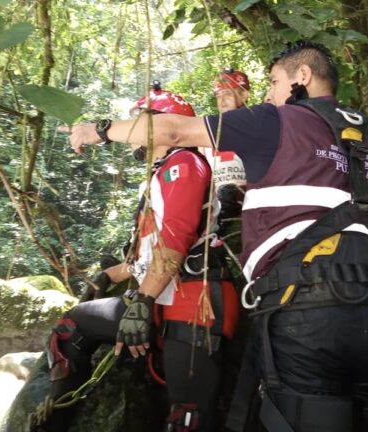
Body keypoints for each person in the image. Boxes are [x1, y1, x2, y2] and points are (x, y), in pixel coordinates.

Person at [62, 40, 368, 432]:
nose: (268, 93)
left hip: (302, 314)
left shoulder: (275, 121)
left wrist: (100, 130)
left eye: (274, 81)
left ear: (302, 77)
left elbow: (176, 131)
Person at [44, 84, 239, 432]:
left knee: (189, 417)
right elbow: (150, 250)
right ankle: (52, 420)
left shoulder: (184, 165)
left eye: (139, 121)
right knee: (69, 330)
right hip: (157, 297)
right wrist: (109, 276)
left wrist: (142, 302)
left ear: (165, 125)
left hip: (193, 301)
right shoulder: (162, 173)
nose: (131, 131)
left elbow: (177, 240)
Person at [203, 68, 249, 221]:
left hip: (251, 211)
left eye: (228, 94)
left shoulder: (257, 128)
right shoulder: (205, 134)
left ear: (244, 95)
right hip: (217, 216)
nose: (222, 101)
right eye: (218, 95)